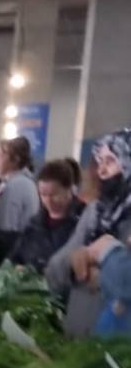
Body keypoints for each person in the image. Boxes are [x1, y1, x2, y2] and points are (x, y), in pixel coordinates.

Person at [48, 128, 131, 336]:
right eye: (99, 161)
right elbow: (61, 262)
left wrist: (100, 275)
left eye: (111, 161)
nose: (101, 170)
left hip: (117, 337)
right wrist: (74, 266)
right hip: (78, 322)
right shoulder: (95, 210)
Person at [9, 159, 84, 270]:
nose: (48, 201)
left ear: (69, 190)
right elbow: (15, 257)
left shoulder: (84, 222)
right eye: (43, 195)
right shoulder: (34, 224)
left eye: (54, 194)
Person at [0, 135, 40, 236]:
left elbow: (7, 228)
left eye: (1, 155)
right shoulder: (20, 181)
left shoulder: (17, 185)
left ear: (15, 160)